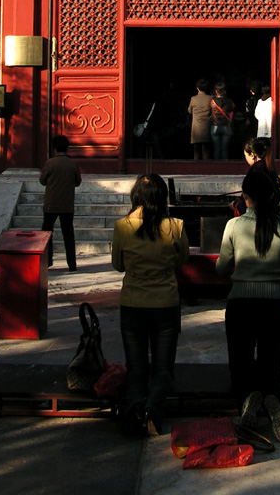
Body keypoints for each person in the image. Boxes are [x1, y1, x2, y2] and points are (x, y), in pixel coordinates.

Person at [216, 169, 280, 443]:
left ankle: (247, 398)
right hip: (274, 303)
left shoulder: (234, 226)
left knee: (240, 361)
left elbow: (220, 267)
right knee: (271, 362)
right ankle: (273, 398)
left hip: (241, 302)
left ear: (244, 196)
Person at [112, 173, 189, 437]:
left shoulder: (122, 226)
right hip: (165, 302)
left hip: (133, 302)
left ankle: (134, 408)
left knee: (136, 366)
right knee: (163, 367)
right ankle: (153, 410)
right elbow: (183, 260)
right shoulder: (175, 226)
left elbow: (117, 264)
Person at [39, 134, 82, 271]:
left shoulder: (50, 163)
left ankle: (47, 260)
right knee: (68, 233)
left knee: (47, 233)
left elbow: (42, 181)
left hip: (51, 204)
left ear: (54, 148)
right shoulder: (72, 164)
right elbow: (78, 182)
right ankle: (71, 263)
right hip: (67, 204)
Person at [188, 78, 212, 160]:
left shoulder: (193, 99)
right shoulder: (210, 98)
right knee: (206, 151)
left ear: (197, 88)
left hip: (196, 128)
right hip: (207, 127)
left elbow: (189, 111)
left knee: (196, 151)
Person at [210, 82, 234, 160]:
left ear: (216, 91)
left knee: (216, 148)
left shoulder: (212, 101)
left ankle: (216, 167)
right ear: (224, 91)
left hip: (215, 125)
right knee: (225, 148)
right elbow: (232, 110)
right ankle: (225, 166)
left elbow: (209, 110)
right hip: (226, 125)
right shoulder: (229, 101)